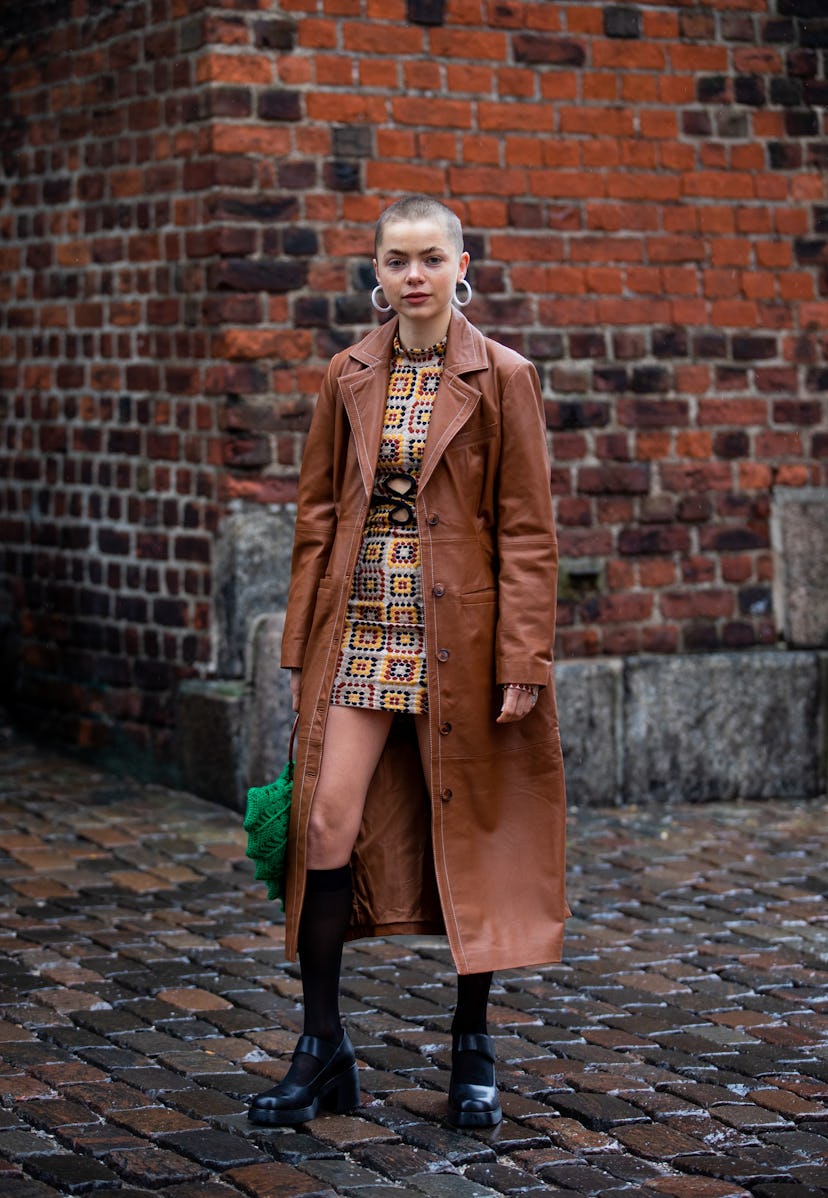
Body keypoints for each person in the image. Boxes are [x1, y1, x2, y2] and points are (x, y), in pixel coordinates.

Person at [248, 195, 567, 1130]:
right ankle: (321, 1046)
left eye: (431, 258)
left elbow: (528, 532)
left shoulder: (505, 375)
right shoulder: (345, 374)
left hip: (461, 637)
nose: (413, 275)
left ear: (462, 266)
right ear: (376, 274)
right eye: (396, 260)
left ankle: (473, 1042)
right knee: (324, 827)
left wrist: (525, 657)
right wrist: (301, 642)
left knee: (473, 832)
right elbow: (315, 515)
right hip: (361, 629)